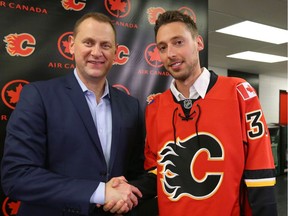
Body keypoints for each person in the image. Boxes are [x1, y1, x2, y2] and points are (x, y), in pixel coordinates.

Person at [125, 10, 278, 216]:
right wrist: (127, 191)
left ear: (198, 43)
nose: (170, 53)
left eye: (178, 42)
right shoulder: (155, 107)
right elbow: (157, 170)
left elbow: (260, 171)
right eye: (163, 47)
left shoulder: (239, 92)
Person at [1, 12, 145, 216]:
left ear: (116, 52)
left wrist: (125, 196)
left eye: (105, 45)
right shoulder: (38, 96)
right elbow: (17, 176)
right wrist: (99, 192)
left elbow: (136, 173)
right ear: (71, 45)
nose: (97, 52)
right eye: (88, 42)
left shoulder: (131, 107)